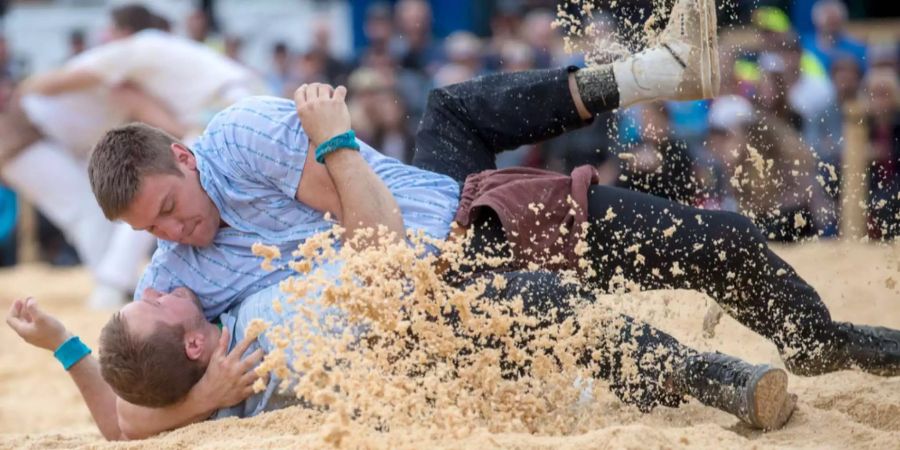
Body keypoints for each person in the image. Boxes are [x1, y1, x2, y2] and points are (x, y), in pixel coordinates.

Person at [18, 0, 899, 438]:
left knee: (723, 244)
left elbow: (383, 245)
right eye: (153, 234)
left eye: (170, 212)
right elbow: (123, 419)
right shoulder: (173, 281)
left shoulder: (241, 137)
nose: (170, 240)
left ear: (183, 159)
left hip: (467, 219)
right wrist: (174, 383)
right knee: (531, 304)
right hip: (434, 280)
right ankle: (725, 384)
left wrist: (333, 147)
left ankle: (823, 345)